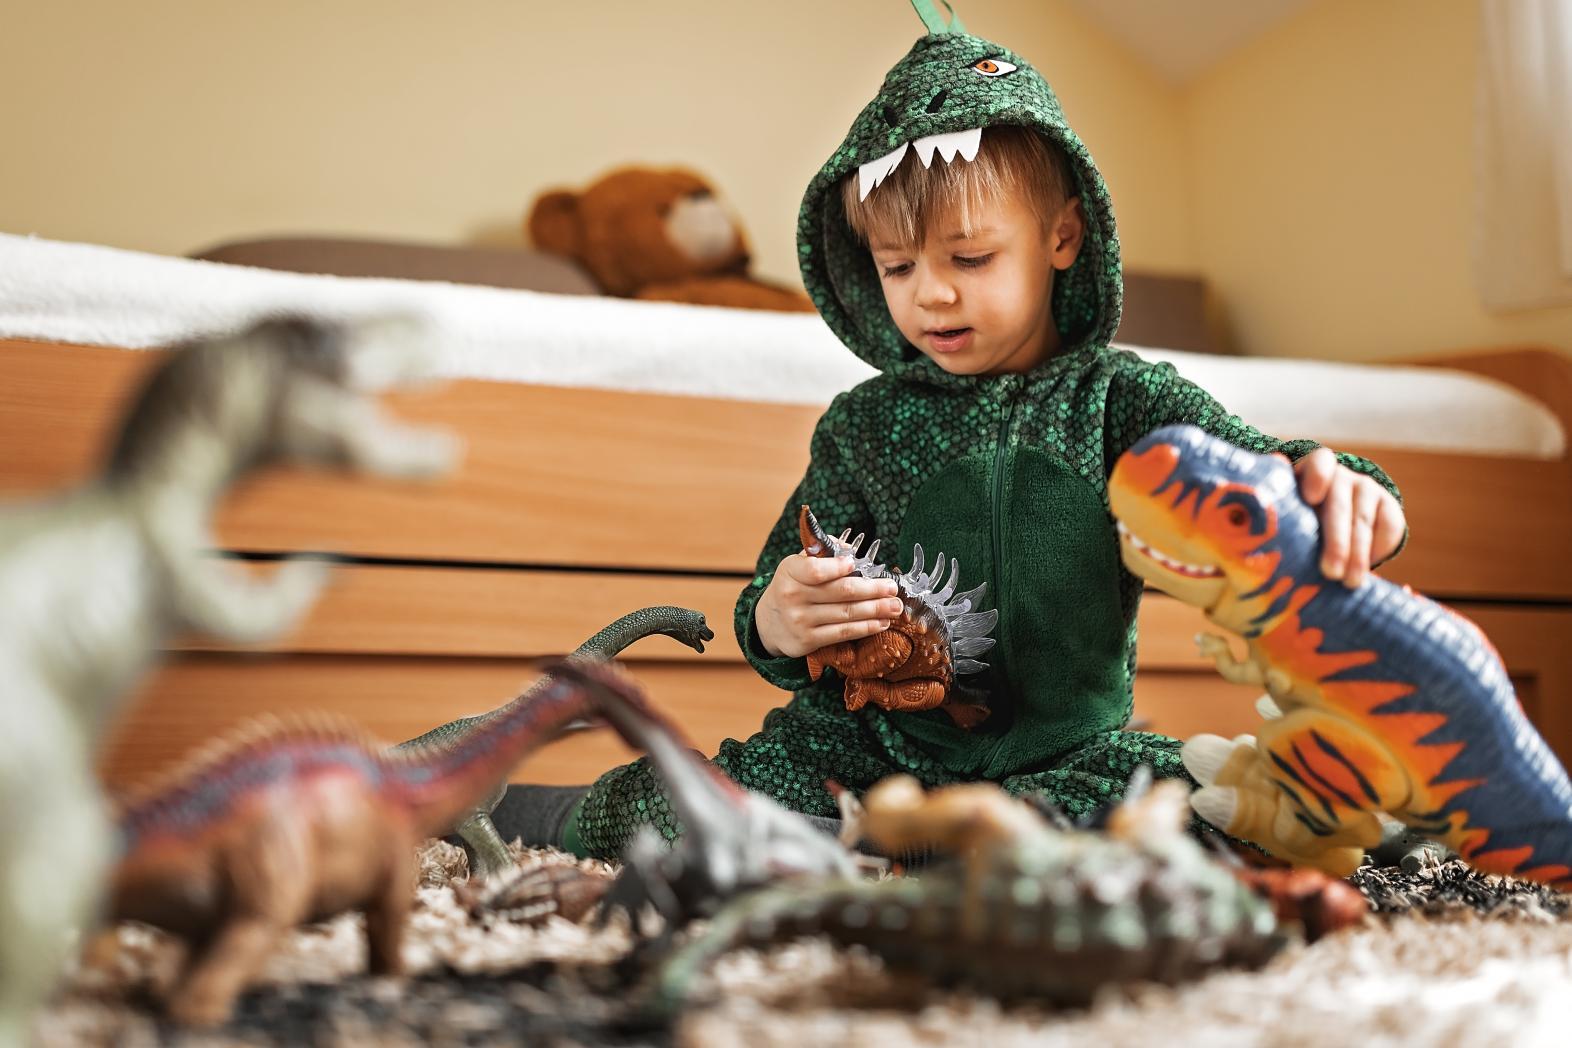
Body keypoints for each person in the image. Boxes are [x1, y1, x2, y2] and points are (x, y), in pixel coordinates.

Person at [499, 2, 1406, 859]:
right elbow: (779, 592)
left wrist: (1351, 493)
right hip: (859, 757)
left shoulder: (1120, 400)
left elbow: (1267, 477)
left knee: (1211, 805)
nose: (930, 293)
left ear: (1062, 236)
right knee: (687, 809)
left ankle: (1397, 817)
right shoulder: (864, 426)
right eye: (896, 267)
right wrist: (776, 620)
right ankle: (533, 809)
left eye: (970, 258)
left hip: (1064, 764)